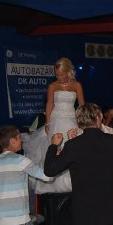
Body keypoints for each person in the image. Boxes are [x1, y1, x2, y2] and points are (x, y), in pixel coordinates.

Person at [34, 57, 84, 194]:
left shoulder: (77, 85)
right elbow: (49, 104)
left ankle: (73, 181)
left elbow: (81, 105)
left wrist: (82, 121)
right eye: (57, 75)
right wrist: (47, 122)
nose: (59, 77)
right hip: (56, 119)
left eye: (62, 74)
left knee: (72, 147)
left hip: (71, 119)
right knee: (55, 148)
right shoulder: (53, 86)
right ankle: (52, 183)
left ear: (68, 72)